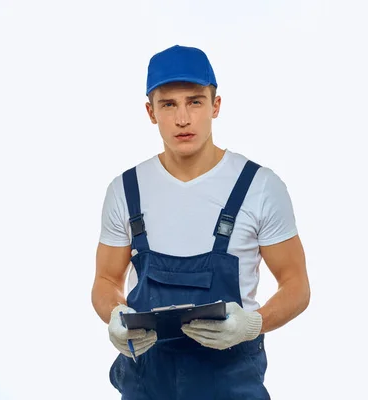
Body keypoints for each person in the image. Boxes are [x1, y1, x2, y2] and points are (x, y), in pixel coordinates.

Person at [91, 44, 310, 399]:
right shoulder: (125, 190)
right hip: (147, 382)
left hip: (230, 383)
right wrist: (115, 314)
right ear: (150, 112)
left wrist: (253, 325)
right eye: (168, 104)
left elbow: (297, 285)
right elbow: (104, 280)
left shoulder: (259, 187)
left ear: (215, 106)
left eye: (194, 101)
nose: (182, 119)